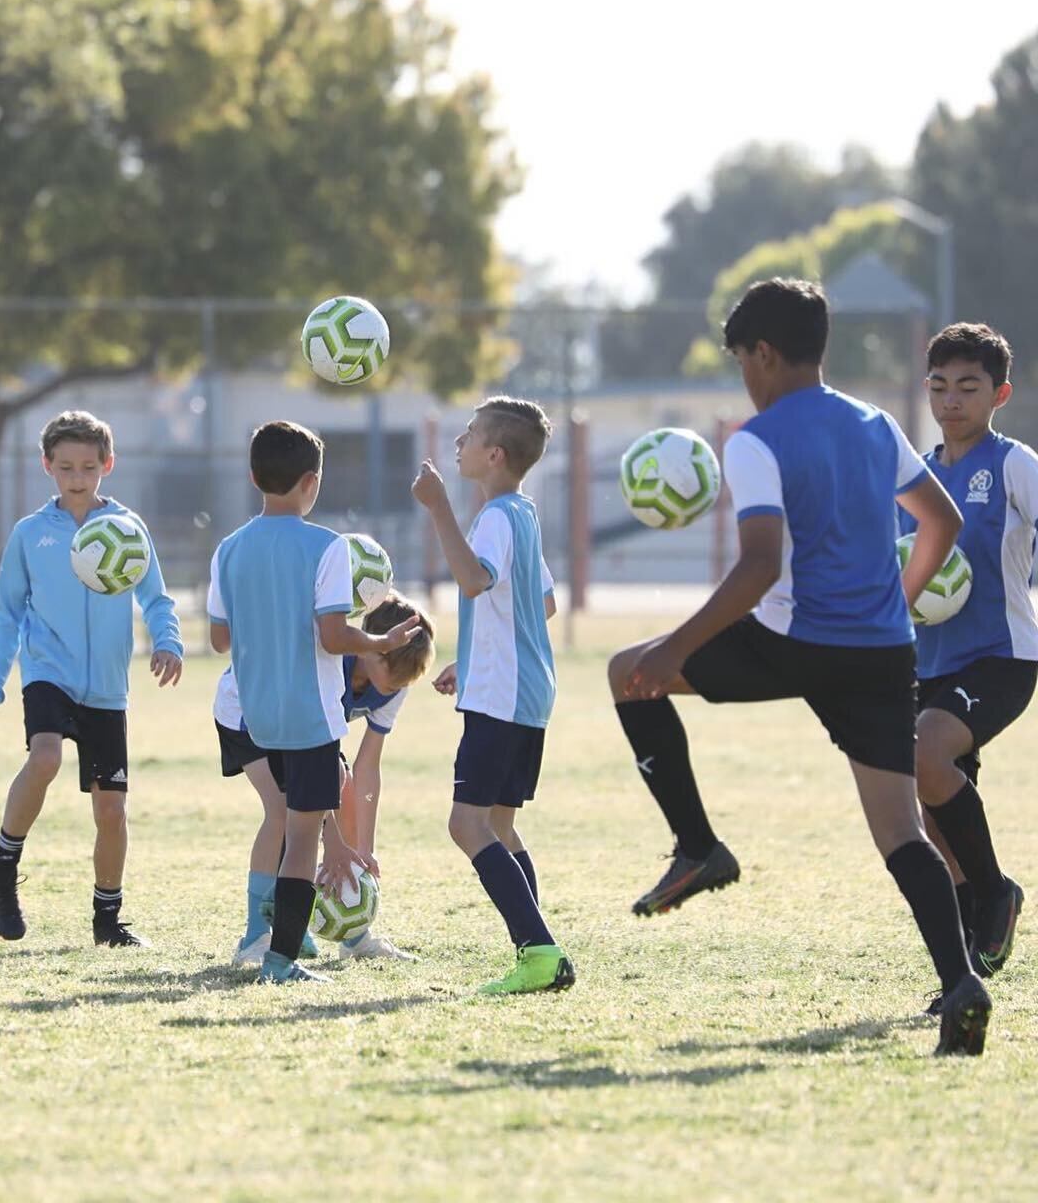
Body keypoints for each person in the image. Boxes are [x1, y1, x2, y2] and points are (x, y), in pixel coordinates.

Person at [607, 278, 991, 1057]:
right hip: (882, 651)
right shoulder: (877, 423)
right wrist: (900, 597)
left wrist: (673, 647)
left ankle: (698, 846)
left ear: (766, 354)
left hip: (793, 640)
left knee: (627, 671)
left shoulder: (757, 438)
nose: (744, 373)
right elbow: (940, 520)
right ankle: (962, 983)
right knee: (899, 829)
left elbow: (757, 567)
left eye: (743, 358)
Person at [208, 421, 422, 984]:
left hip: (254, 711)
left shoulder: (228, 549)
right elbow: (332, 637)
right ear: (313, 482)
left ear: (254, 477)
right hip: (309, 714)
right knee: (302, 836)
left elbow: (219, 639)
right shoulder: (327, 547)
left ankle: (274, 937)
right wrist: (378, 641)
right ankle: (279, 961)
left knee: (280, 820)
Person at [0, 409, 182, 947]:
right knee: (45, 756)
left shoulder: (128, 530)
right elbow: (6, 613)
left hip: (107, 688)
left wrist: (168, 640)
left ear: (106, 466)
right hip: (48, 671)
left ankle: (107, 920)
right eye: (65, 466)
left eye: (88, 467)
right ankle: (3, 867)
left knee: (111, 812)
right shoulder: (30, 534)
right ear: (47, 465)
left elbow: (156, 598)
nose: (77, 477)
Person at [412, 396, 575, 996]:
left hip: (504, 697)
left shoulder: (496, 518)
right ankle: (543, 951)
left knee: (467, 824)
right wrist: (477, 654)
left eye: (471, 433)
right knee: (501, 827)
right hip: (523, 691)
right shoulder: (523, 516)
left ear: (495, 454)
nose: (460, 440)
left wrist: (438, 510)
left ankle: (538, 952)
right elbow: (543, 603)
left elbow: (476, 580)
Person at [899, 323, 1037, 983]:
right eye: (940, 386)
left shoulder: (1013, 463)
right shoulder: (915, 477)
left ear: (999, 394)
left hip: (1002, 657)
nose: (952, 400)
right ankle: (963, 975)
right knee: (932, 812)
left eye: (969, 387)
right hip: (930, 664)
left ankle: (995, 894)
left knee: (926, 753)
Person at [216, 592, 436, 965]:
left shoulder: (394, 685)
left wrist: (363, 849)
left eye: (406, 680)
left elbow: (367, 768)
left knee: (344, 785)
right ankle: (255, 937)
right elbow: (316, 766)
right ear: (372, 648)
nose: (398, 685)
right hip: (247, 710)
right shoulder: (330, 661)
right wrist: (332, 838)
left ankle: (353, 935)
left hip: (303, 727)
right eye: (394, 673)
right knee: (284, 813)